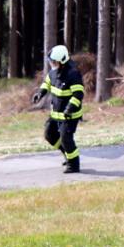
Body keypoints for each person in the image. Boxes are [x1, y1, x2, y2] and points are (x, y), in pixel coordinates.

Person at [34, 44, 84, 172]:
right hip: (56, 113)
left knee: (66, 138)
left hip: (70, 115)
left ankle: (74, 165)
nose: (52, 64)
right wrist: (40, 93)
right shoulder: (54, 72)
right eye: (51, 61)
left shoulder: (73, 74)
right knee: (49, 135)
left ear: (62, 61)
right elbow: (47, 83)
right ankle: (67, 155)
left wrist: (69, 109)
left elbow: (78, 94)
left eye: (54, 61)